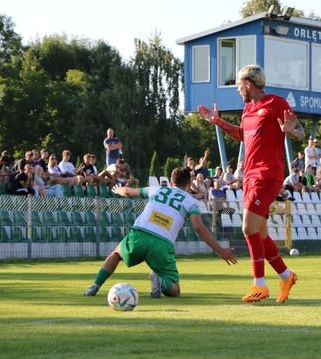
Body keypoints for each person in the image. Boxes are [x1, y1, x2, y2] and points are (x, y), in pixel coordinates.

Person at [198, 64, 305, 303]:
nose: (237, 89)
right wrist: (218, 121)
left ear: (248, 83)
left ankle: (259, 284)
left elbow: (300, 132)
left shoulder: (275, 103)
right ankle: (286, 276)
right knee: (260, 231)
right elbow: (242, 135)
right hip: (250, 176)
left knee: (248, 227)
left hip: (268, 174)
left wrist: (290, 131)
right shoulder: (247, 110)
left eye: (238, 85)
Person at [83, 167, 237, 298]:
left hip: (140, 235)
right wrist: (221, 251)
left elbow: (130, 191)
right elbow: (199, 228)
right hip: (163, 244)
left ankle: (94, 286)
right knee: (175, 289)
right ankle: (159, 280)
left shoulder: (157, 189)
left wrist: (119, 189)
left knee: (116, 254)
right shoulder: (191, 202)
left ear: (171, 182)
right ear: (189, 184)